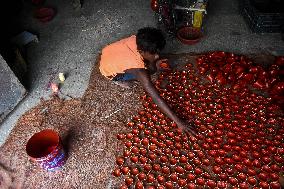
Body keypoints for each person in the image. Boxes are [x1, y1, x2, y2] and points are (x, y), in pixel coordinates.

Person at [99, 27, 195, 135]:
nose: (157, 55)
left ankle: (137, 64)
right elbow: (155, 97)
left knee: (149, 66)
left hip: (109, 53)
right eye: (153, 53)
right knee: (148, 72)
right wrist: (179, 122)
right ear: (141, 51)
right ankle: (118, 80)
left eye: (157, 52)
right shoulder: (138, 70)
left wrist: (153, 60)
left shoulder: (137, 40)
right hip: (108, 71)